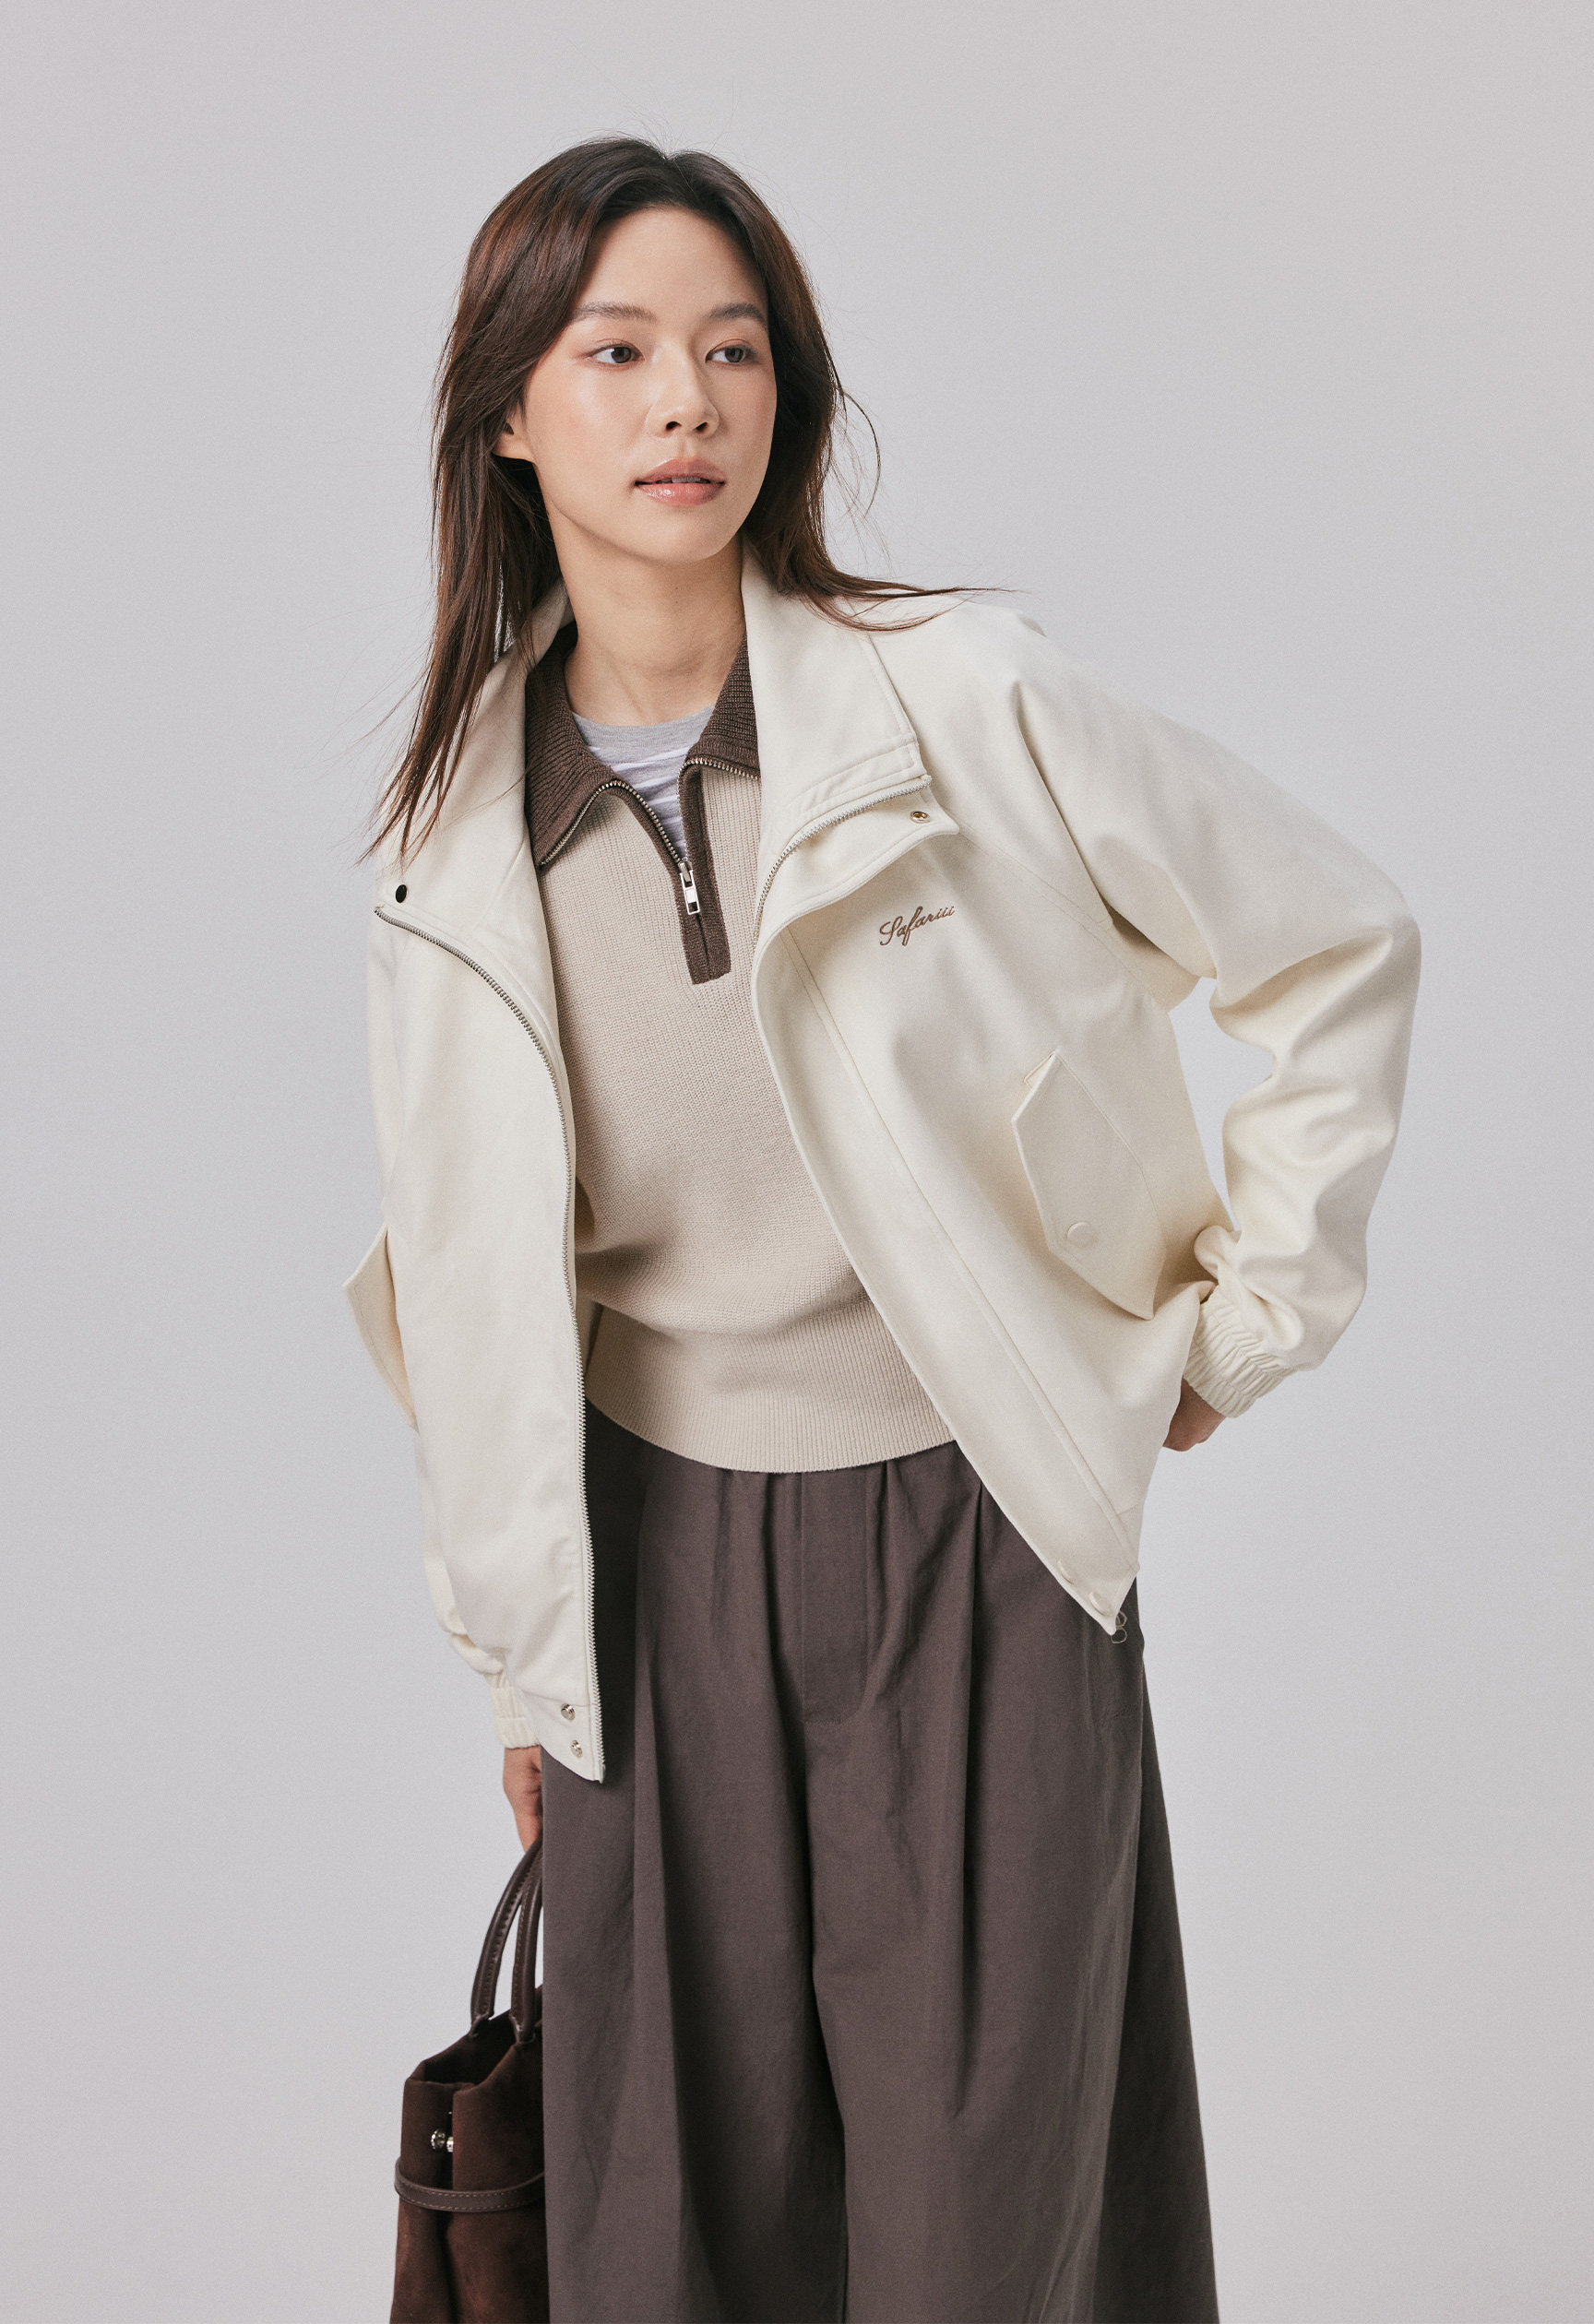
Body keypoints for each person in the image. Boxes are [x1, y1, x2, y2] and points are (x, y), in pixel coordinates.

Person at [345, 136, 1418, 2324]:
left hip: (981, 1543)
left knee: (990, 2229)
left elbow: (1338, 942)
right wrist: (525, 1659)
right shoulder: (450, 851)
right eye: (617, 352)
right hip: (649, 1574)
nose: (686, 401)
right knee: (677, 2239)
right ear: (508, 413)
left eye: (733, 351)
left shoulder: (958, 699)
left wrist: (1239, 1327)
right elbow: (462, 1283)